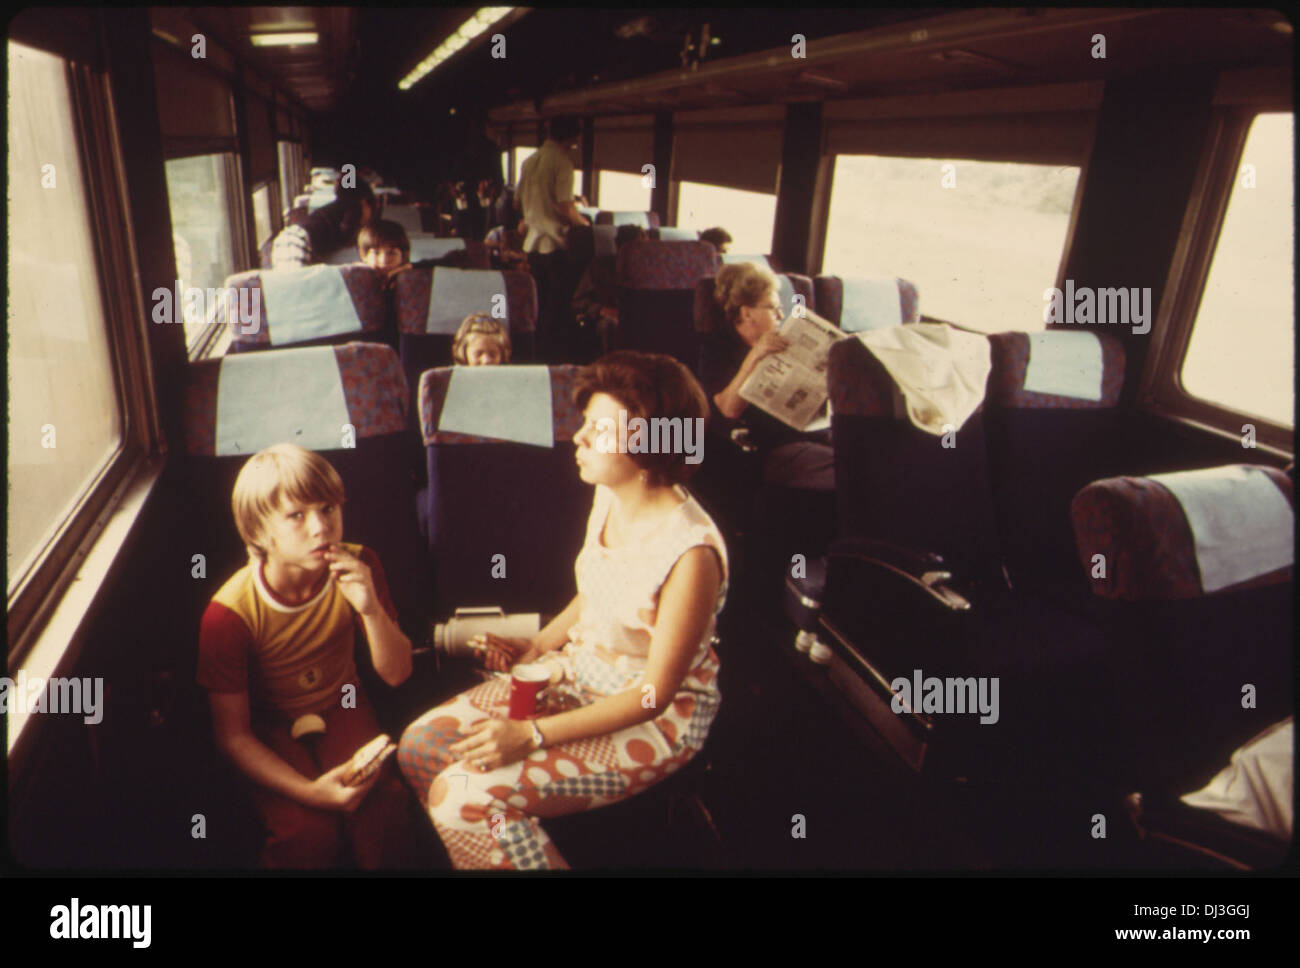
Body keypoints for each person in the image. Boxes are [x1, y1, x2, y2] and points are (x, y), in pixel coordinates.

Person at [397, 352, 727, 870]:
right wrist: (539, 646)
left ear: (647, 444)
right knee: (419, 747)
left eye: (598, 430)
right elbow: (598, 592)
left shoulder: (691, 555)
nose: (578, 439)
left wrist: (529, 736)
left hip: (652, 718)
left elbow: (653, 695)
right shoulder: (610, 495)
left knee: (462, 798)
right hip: (579, 673)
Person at [197, 444, 421, 869]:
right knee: (308, 835)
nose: (321, 528)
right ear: (260, 530)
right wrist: (310, 792)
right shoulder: (228, 614)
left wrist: (370, 607)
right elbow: (233, 737)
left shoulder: (360, 564)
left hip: (343, 700)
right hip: (269, 720)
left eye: (328, 508)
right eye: (296, 515)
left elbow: (398, 674)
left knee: (384, 815)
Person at [702, 261, 834, 492]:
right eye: (773, 308)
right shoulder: (719, 347)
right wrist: (755, 356)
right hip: (772, 447)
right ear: (747, 313)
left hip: (812, 435)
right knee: (852, 471)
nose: (781, 314)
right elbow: (728, 409)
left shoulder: (785, 343)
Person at [516, 115, 591, 361]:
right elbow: (564, 206)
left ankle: (534, 353)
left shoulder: (529, 161)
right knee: (558, 307)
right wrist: (584, 224)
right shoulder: (562, 162)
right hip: (555, 245)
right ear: (569, 138)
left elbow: (519, 201)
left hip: (533, 244)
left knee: (538, 304)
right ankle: (554, 359)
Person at [572, 223, 646, 355]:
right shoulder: (600, 266)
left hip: (643, 317)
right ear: (619, 246)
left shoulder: (654, 272)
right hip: (612, 317)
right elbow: (579, 301)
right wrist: (602, 310)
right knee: (610, 325)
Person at [271, 181, 377, 269]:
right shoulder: (353, 210)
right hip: (296, 241)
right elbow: (346, 235)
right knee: (295, 282)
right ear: (364, 202)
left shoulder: (336, 210)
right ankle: (254, 293)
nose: (369, 217)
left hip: (293, 238)